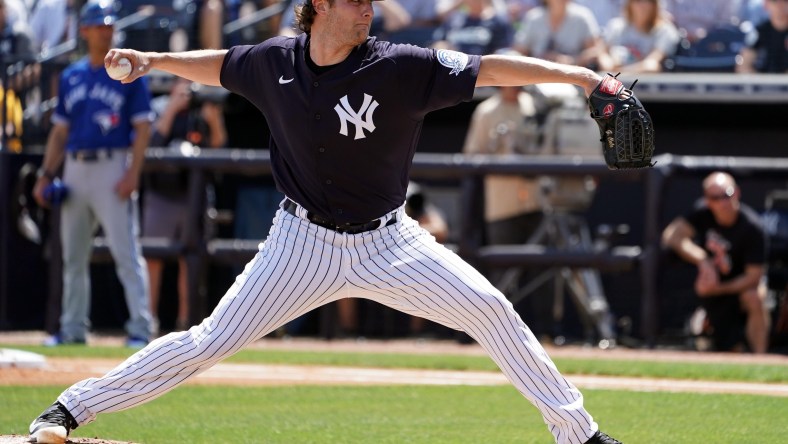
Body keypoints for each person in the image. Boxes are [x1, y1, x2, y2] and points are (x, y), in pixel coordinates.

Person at [29, 1, 623, 443]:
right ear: (318, 8)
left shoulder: (402, 66)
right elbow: (218, 66)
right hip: (300, 243)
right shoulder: (272, 62)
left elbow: (490, 68)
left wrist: (581, 78)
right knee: (205, 343)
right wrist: (153, 61)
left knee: (492, 310)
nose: (367, 8)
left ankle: (582, 436)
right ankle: (69, 408)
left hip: (390, 242)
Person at [31, 0, 155, 349]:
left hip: (112, 164)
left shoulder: (130, 72)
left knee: (125, 253)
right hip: (74, 167)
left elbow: (143, 128)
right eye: (98, 25)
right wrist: (45, 174)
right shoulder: (71, 76)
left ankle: (141, 328)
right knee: (73, 255)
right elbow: (59, 132)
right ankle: (72, 329)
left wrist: (133, 172)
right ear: (83, 30)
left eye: (109, 24)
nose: (105, 30)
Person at [143, 77, 227, 334]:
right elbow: (151, 145)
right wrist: (171, 109)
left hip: (193, 197)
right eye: (184, 85)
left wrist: (213, 121)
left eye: (193, 85)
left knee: (189, 260)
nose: (189, 91)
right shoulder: (158, 106)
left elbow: (221, 149)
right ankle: (148, 322)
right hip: (161, 193)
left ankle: (186, 324)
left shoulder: (204, 108)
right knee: (152, 259)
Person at [661, 171, 770, 354]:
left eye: (726, 195)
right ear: (707, 200)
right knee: (730, 349)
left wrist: (718, 288)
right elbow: (671, 236)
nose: (722, 203)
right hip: (712, 286)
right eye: (714, 198)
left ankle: (760, 358)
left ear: (736, 193)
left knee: (754, 297)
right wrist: (703, 260)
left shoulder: (752, 228)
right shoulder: (701, 213)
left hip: (739, 285)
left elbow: (753, 277)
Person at [513, 0, 607, 69]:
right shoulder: (534, 17)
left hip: (574, 74)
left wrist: (573, 61)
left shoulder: (582, 16)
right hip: (537, 73)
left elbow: (595, 50)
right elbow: (520, 50)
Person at [601, 0, 680, 73]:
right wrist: (608, 63)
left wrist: (621, 72)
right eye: (638, 0)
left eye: (648, 1)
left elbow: (652, 64)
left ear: (655, 5)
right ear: (629, 4)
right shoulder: (615, 26)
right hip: (611, 80)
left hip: (643, 83)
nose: (643, 5)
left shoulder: (665, 30)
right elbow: (602, 53)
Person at [736, 0, 788, 73]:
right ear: (766, 4)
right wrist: (759, 81)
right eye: (774, 1)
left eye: (785, 1)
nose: (780, 5)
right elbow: (744, 65)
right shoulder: (758, 32)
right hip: (763, 81)